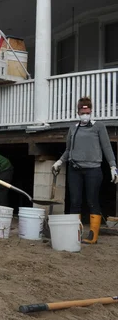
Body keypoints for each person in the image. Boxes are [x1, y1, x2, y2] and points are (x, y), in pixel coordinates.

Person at [52, 96, 118, 244]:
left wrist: (113, 165)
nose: (85, 115)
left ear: (91, 111)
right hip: (75, 169)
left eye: (87, 112)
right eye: (82, 112)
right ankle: (74, 233)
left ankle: (92, 236)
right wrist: (59, 161)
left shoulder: (98, 126)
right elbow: (69, 150)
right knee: (75, 201)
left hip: (93, 170)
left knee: (92, 200)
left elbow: (106, 147)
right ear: (78, 112)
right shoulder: (73, 128)